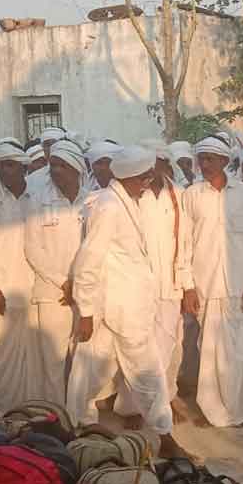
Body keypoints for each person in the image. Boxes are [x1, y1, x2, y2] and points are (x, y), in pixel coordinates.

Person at [67, 147, 188, 456]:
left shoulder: (127, 201)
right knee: (146, 374)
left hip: (125, 307)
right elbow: (88, 261)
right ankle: (164, 435)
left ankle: (78, 423)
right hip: (114, 308)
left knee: (90, 370)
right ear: (133, 177)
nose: (149, 183)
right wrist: (86, 312)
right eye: (146, 178)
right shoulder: (108, 207)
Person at [181, 136, 243, 427]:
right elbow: (184, 243)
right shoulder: (192, 194)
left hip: (238, 283)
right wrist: (187, 284)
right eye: (201, 158)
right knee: (210, 352)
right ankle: (212, 410)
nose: (204, 164)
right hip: (205, 284)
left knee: (241, 350)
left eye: (210, 159)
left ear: (225, 161)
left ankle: (239, 410)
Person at [117, 136, 193, 425]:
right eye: (149, 165)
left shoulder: (179, 194)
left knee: (171, 347)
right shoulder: (134, 197)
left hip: (171, 286)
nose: (153, 171)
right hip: (140, 288)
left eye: (158, 164)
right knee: (139, 349)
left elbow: (184, 242)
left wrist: (188, 285)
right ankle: (133, 409)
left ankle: (165, 401)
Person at [22, 139, 89, 404]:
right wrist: (64, 282)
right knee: (52, 361)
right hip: (52, 294)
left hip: (85, 293)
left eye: (62, 165)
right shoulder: (38, 201)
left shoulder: (91, 200)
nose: (56, 171)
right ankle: (56, 417)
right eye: (53, 165)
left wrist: (80, 283)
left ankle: (78, 414)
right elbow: (32, 249)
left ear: (76, 168)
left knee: (82, 358)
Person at [0, 139, 35, 414]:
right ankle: (2, 412)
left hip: (33, 287)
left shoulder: (36, 196)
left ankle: (26, 413)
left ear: (23, 168)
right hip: (1, 288)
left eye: (11, 166)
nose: (5, 172)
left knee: (31, 356)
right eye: (1, 166)